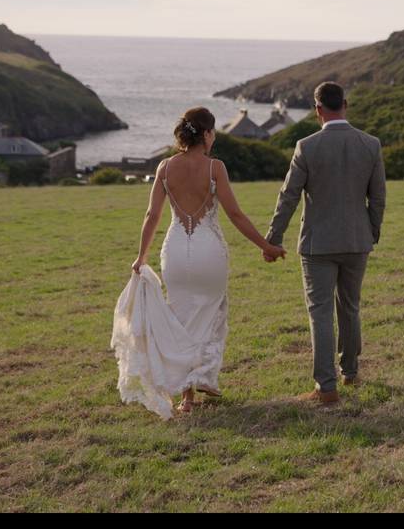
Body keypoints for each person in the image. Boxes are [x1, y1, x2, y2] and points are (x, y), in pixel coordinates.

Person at [112, 107, 286, 419]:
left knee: (181, 318)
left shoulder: (165, 167)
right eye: (213, 132)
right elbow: (235, 214)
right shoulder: (215, 167)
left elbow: (152, 216)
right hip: (209, 251)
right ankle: (203, 376)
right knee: (211, 311)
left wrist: (141, 256)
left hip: (176, 250)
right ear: (205, 134)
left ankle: (188, 397)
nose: (214, 137)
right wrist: (266, 246)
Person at [264, 82, 386, 405]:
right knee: (350, 306)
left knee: (320, 312)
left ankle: (326, 387)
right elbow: (378, 198)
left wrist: (273, 239)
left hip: (318, 243)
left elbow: (288, 197)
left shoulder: (306, 146)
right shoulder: (370, 145)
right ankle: (351, 371)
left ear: (318, 109)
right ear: (345, 104)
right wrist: (370, 232)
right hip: (357, 240)